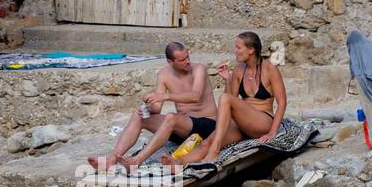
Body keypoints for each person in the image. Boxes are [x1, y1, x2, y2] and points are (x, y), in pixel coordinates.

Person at [87, 42, 218, 170]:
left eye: (188, 57)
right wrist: (149, 104)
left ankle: (137, 160)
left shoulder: (199, 69)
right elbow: (157, 108)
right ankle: (112, 159)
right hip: (182, 129)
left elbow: (195, 96)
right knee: (139, 115)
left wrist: (165, 96)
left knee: (171, 117)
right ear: (170, 62)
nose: (187, 61)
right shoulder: (164, 74)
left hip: (207, 126)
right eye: (182, 60)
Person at [165, 31, 287, 167]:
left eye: (238, 47)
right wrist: (228, 80)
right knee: (208, 141)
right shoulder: (239, 70)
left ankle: (214, 151)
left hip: (262, 121)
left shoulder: (270, 69)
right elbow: (230, 99)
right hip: (242, 123)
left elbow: (282, 102)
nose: (235, 51)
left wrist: (273, 131)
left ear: (251, 50)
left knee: (224, 102)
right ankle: (178, 161)